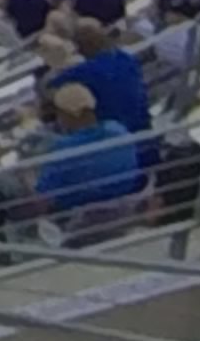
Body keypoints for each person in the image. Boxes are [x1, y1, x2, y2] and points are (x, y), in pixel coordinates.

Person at [30, 85, 145, 243]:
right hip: (125, 207)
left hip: (78, 219)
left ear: (66, 115)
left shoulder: (63, 149)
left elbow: (44, 197)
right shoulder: (118, 129)